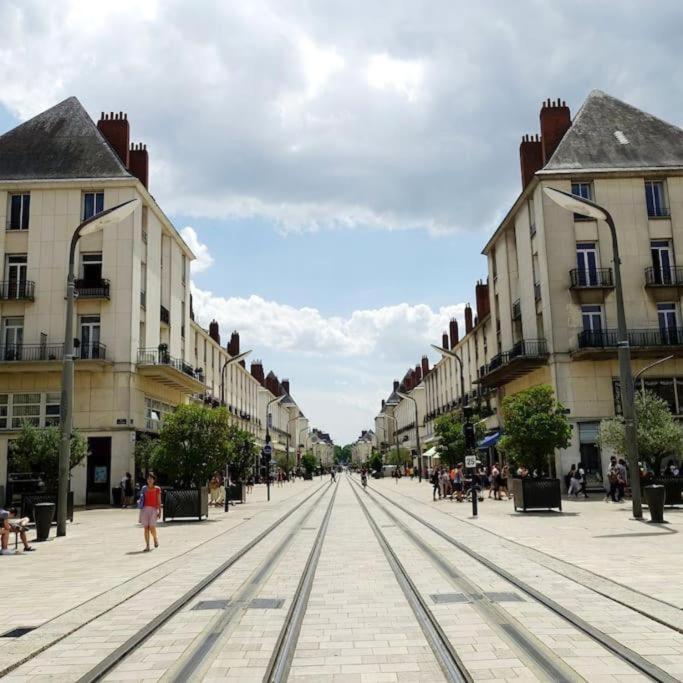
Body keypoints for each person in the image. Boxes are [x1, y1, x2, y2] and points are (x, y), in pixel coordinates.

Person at [138, 472, 162, 552]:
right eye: (148, 479)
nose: (149, 480)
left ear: (154, 480)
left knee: (152, 527)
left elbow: (159, 501)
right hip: (144, 509)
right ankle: (147, 545)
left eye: (151, 479)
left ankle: (155, 538)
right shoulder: (144, 488)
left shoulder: (157, 489)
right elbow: (141, 500)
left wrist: (160, 511)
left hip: (153, 510)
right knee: (146, 528)